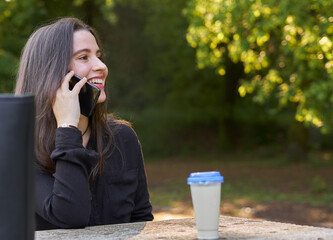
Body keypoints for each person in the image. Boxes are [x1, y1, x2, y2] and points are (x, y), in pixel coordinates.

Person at [14, 17, 153, 230]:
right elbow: (71, 216)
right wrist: (68, 127)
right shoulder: (19, 151)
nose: (101, 66)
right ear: (51, 72)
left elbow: (142, 219)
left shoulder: (123, 138)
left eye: (99, 56)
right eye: (83, 57)